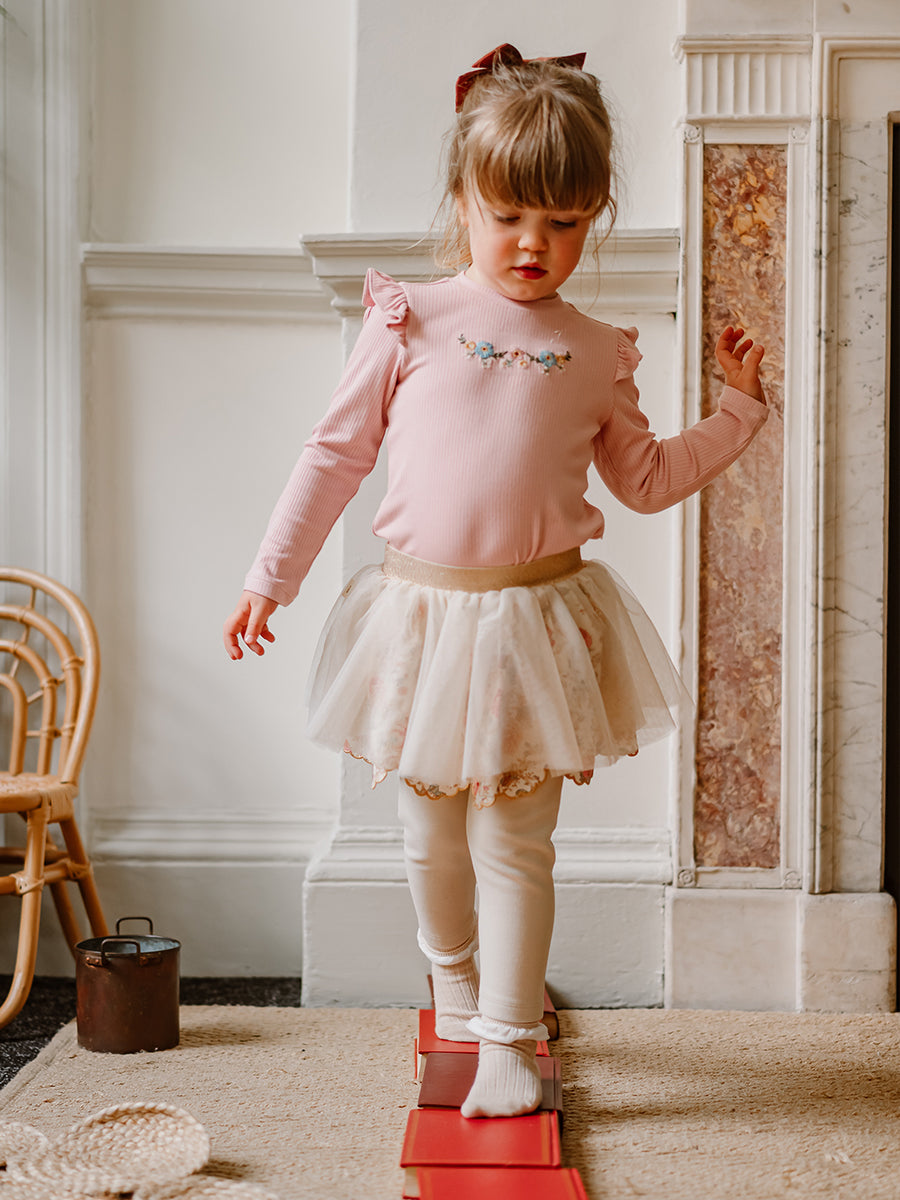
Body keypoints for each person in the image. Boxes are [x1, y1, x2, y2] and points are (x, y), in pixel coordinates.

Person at [223, 43, 768, 1119]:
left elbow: (647, 480)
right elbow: (333, 457)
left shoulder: (597, 352)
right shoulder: (409, 321)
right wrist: (269, 579)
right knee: (429, 834)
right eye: (509, 214)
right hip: (419, 623)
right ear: (462, 200)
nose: (533, 243)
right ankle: (456, 978)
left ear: (596, 214)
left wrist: (737, 410)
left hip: (537, 625)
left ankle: (512, 1043)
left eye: (563, 222)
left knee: (517, 842)